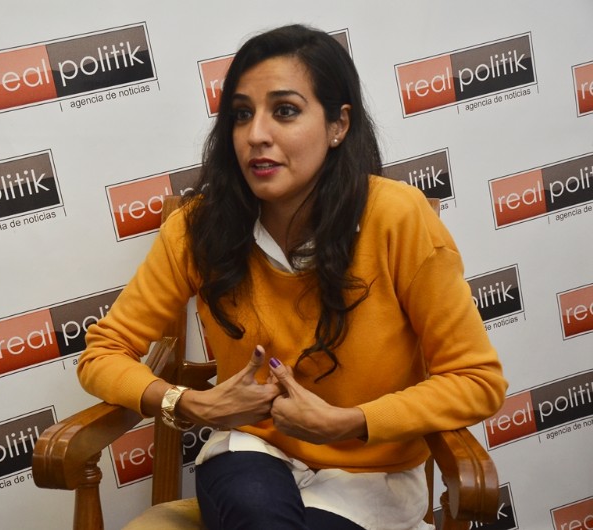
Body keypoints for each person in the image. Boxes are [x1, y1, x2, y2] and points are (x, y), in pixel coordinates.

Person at [78, 24, 507, 530]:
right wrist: (189, 403)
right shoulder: (197, 229)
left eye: (284, 111)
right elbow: (102, 353)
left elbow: (476, 381)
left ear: (338, 125)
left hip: (369, 475)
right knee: (257, 512)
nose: (256, 135)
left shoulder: (399, 219)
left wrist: (349, 421)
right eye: (241, 114)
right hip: (252, 451)